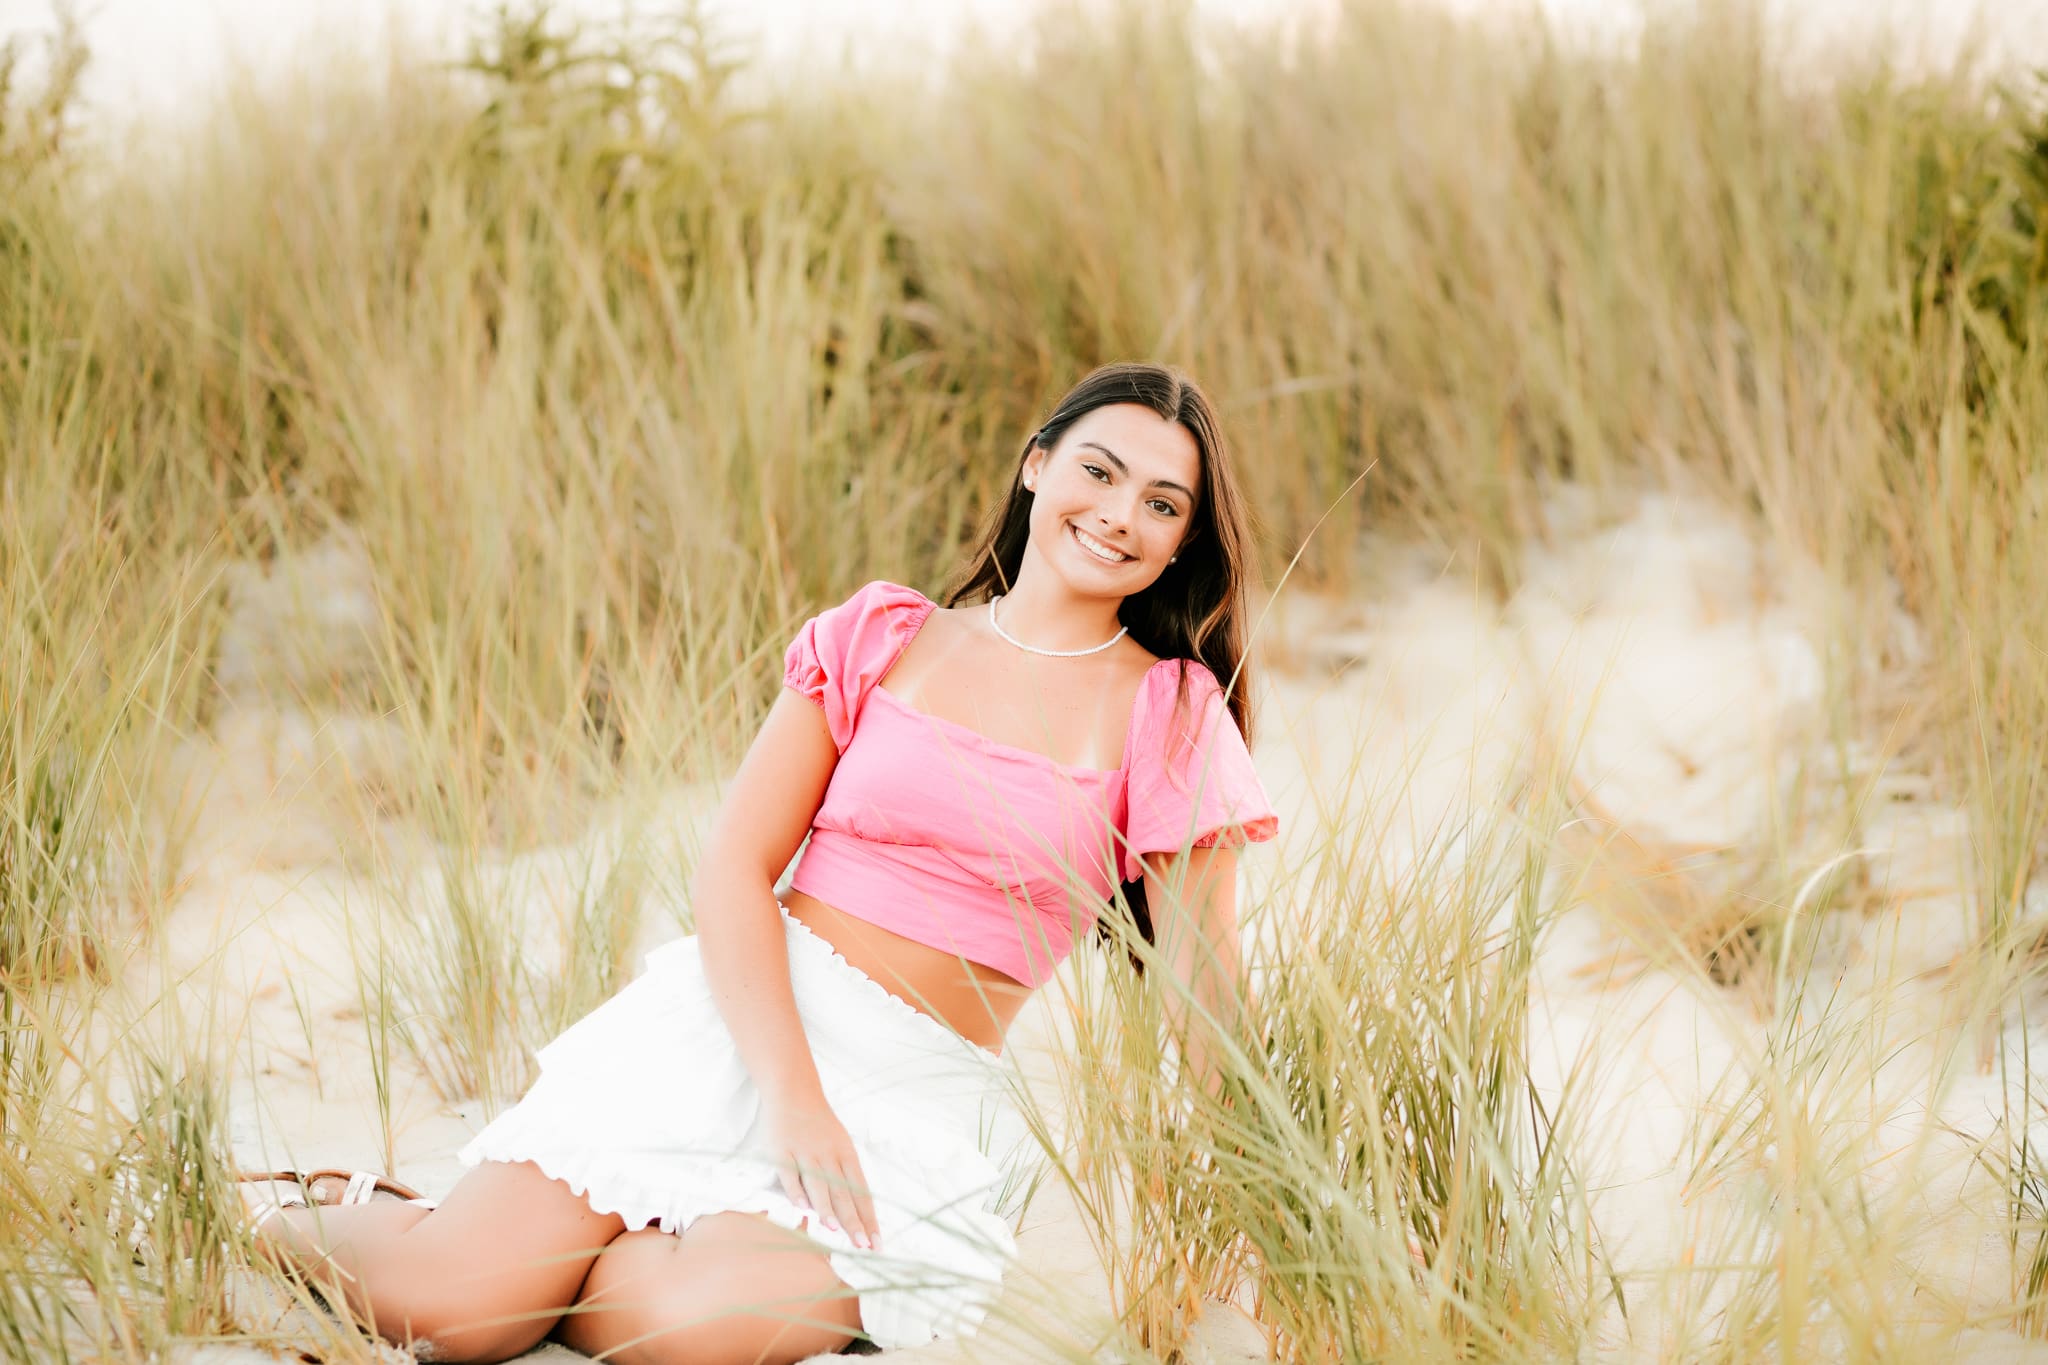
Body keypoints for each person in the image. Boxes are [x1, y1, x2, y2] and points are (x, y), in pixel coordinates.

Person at [241, 362, 1280, 1364]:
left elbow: (1200, 980)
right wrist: (791, 1095)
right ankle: (304, 1212)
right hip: (744, 1019)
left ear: (1182, 541)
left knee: (686, 1331)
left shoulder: (1172, 712)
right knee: (453, 1313)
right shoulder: (883, 636)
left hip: (913, 1094)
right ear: (1034, 465)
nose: (1115, 513)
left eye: (1160, 502)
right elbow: (734, 866)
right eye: (1096, 471)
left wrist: (1278, 1200)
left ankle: (562, 1259)